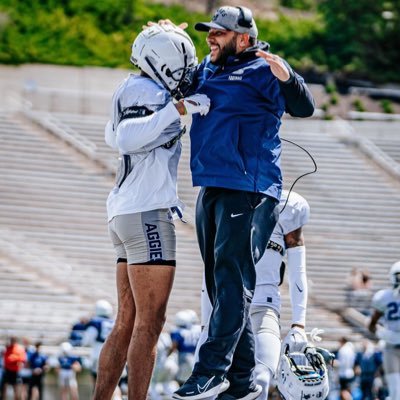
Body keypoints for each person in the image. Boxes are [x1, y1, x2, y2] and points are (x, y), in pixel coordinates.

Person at [166, 5, 314, 400]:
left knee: (233, 282)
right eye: (209, 32)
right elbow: (176, 84)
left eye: (219, 32)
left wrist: (289, 76)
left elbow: (304, 107)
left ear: (243, 38)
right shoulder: (208, 68)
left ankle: (211, 370)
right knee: (221, 287)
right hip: (211, 185)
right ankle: (244, 380)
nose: (211, 38)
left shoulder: (263, 69)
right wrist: (166, 37)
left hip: (250, 188)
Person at [92, 23, 210, 400]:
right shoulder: (148, 90)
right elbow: (126, 136)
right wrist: (176, 110)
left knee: (126, 321)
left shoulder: (133, 86)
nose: (186, 70)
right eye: (182, 62)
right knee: (150, 322)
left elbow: (113, 135)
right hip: (146, 213)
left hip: (126, 211)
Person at [198, 191, 310, 400]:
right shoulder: (227, 198)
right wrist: (206, 324)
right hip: (224, 307)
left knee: (260, 379)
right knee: (210, 388)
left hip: (263, 306)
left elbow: (298, 269)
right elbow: (210, 270)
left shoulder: (288, 205)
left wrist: (299, 324)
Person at [368, 261, 400, 400]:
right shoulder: (385, 297)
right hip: (391, 348)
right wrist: (385, 335)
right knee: (395, 393)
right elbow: (372, 325)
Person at [170, 310, 201, 385]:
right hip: (197, 355)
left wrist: (168, 354)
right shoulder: (198, 329)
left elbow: (174, 346)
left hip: (184, 356)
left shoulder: (178, 331)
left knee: (182, 380)